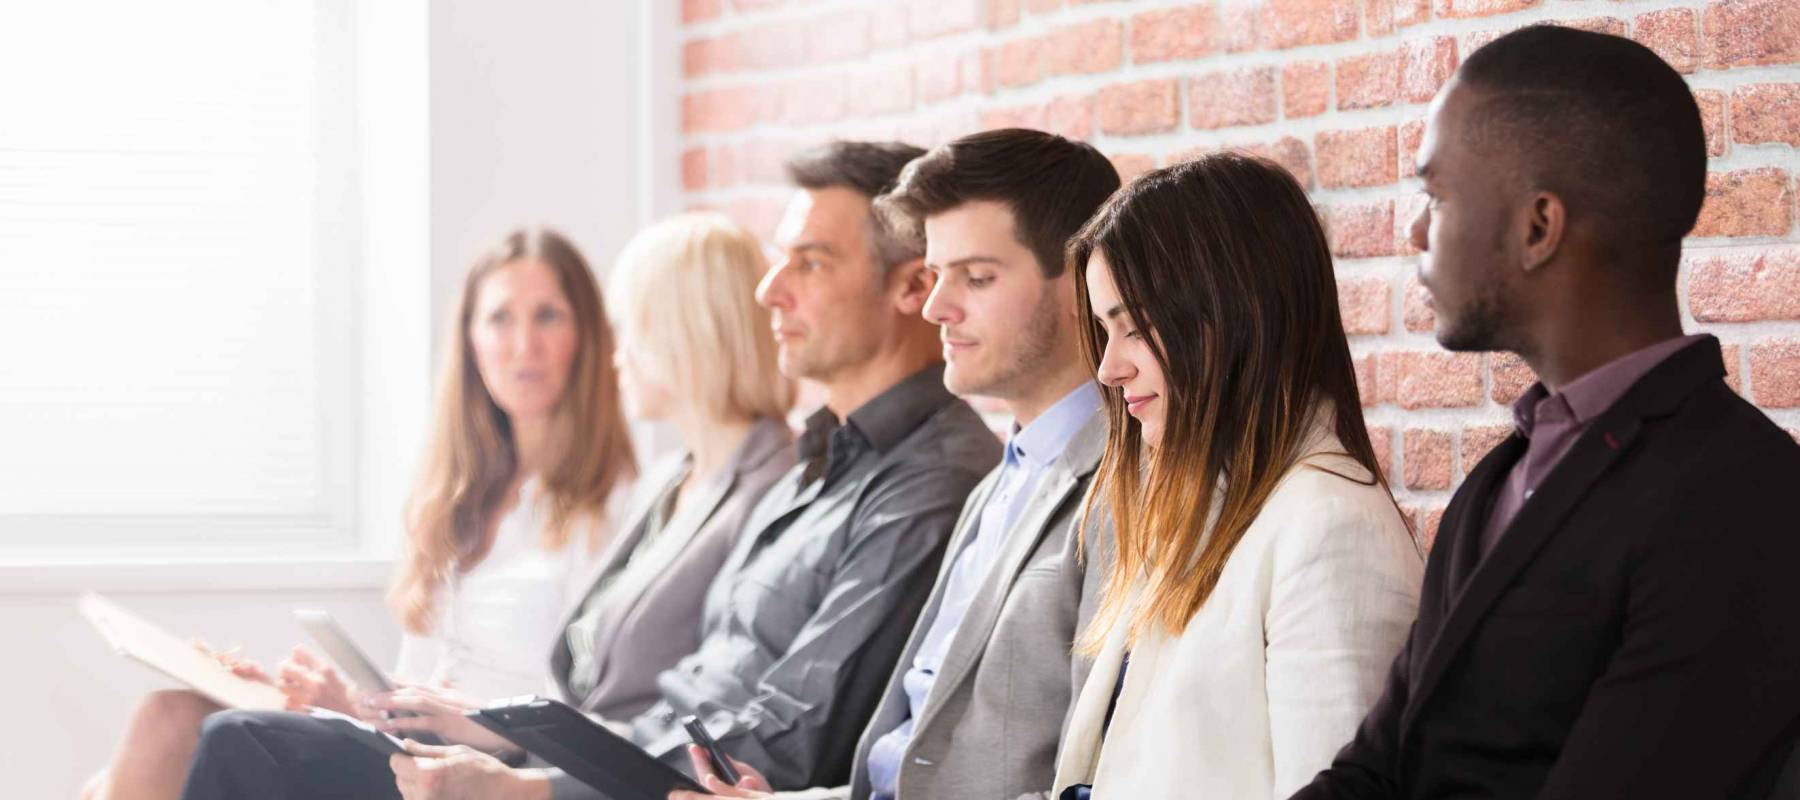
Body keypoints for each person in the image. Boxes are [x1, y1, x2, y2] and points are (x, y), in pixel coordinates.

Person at [260, 140, 1000, 800]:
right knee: (245, 738)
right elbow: (693, 693)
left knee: (250, 747)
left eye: (809, 262)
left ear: (909, 287)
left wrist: (533, 782)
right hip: (615, 769)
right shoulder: (814, 465)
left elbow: (790, 733)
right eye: (778, 262)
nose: (770, 292)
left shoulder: (923, 479)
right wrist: (519, 752)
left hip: (649, 785)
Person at [1291, 25, 1800, 800]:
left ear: (1538, 228)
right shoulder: (1497, 482)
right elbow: (1376, 769)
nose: (1416, 231)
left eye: (1437, 195)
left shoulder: (1744, 498)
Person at [173, 214, 806, 799]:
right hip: (486, 741)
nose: (617, 354)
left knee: (235, 738)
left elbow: (651, 700)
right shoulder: (673, 482)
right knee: (180, 717)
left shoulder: (682, 493)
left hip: (530, 758)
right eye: (500, 319)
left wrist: (490, 732)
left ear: (683, 337)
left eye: (554, 319)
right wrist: (358, 706)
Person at [80, 227, 637, 800]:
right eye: (500, 319)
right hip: (413, 749)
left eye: (547, 316)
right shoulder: (455, 500)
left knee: (215, 736)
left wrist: (476, 730)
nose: (524, 346)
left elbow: (589, 718)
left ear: (587, 337)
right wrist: (343, 703)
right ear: (470, 339)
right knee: (167, 718)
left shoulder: (615, 507)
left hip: (485, 766)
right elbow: (416, 688)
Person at [675, 128, 1122, 800]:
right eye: (938, 275)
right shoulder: (1001, 482)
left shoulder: (1128, 487)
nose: (937, 306)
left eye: (976, 277)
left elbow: (1093, 783)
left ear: (1082, 281)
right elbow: (903, 767)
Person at [1050, 152, 1424, 799]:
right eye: (1104, 331)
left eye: (1133, 328)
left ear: (1234, 317)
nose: (1109, 369)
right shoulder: (1202, 502)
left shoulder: (1330, 529)